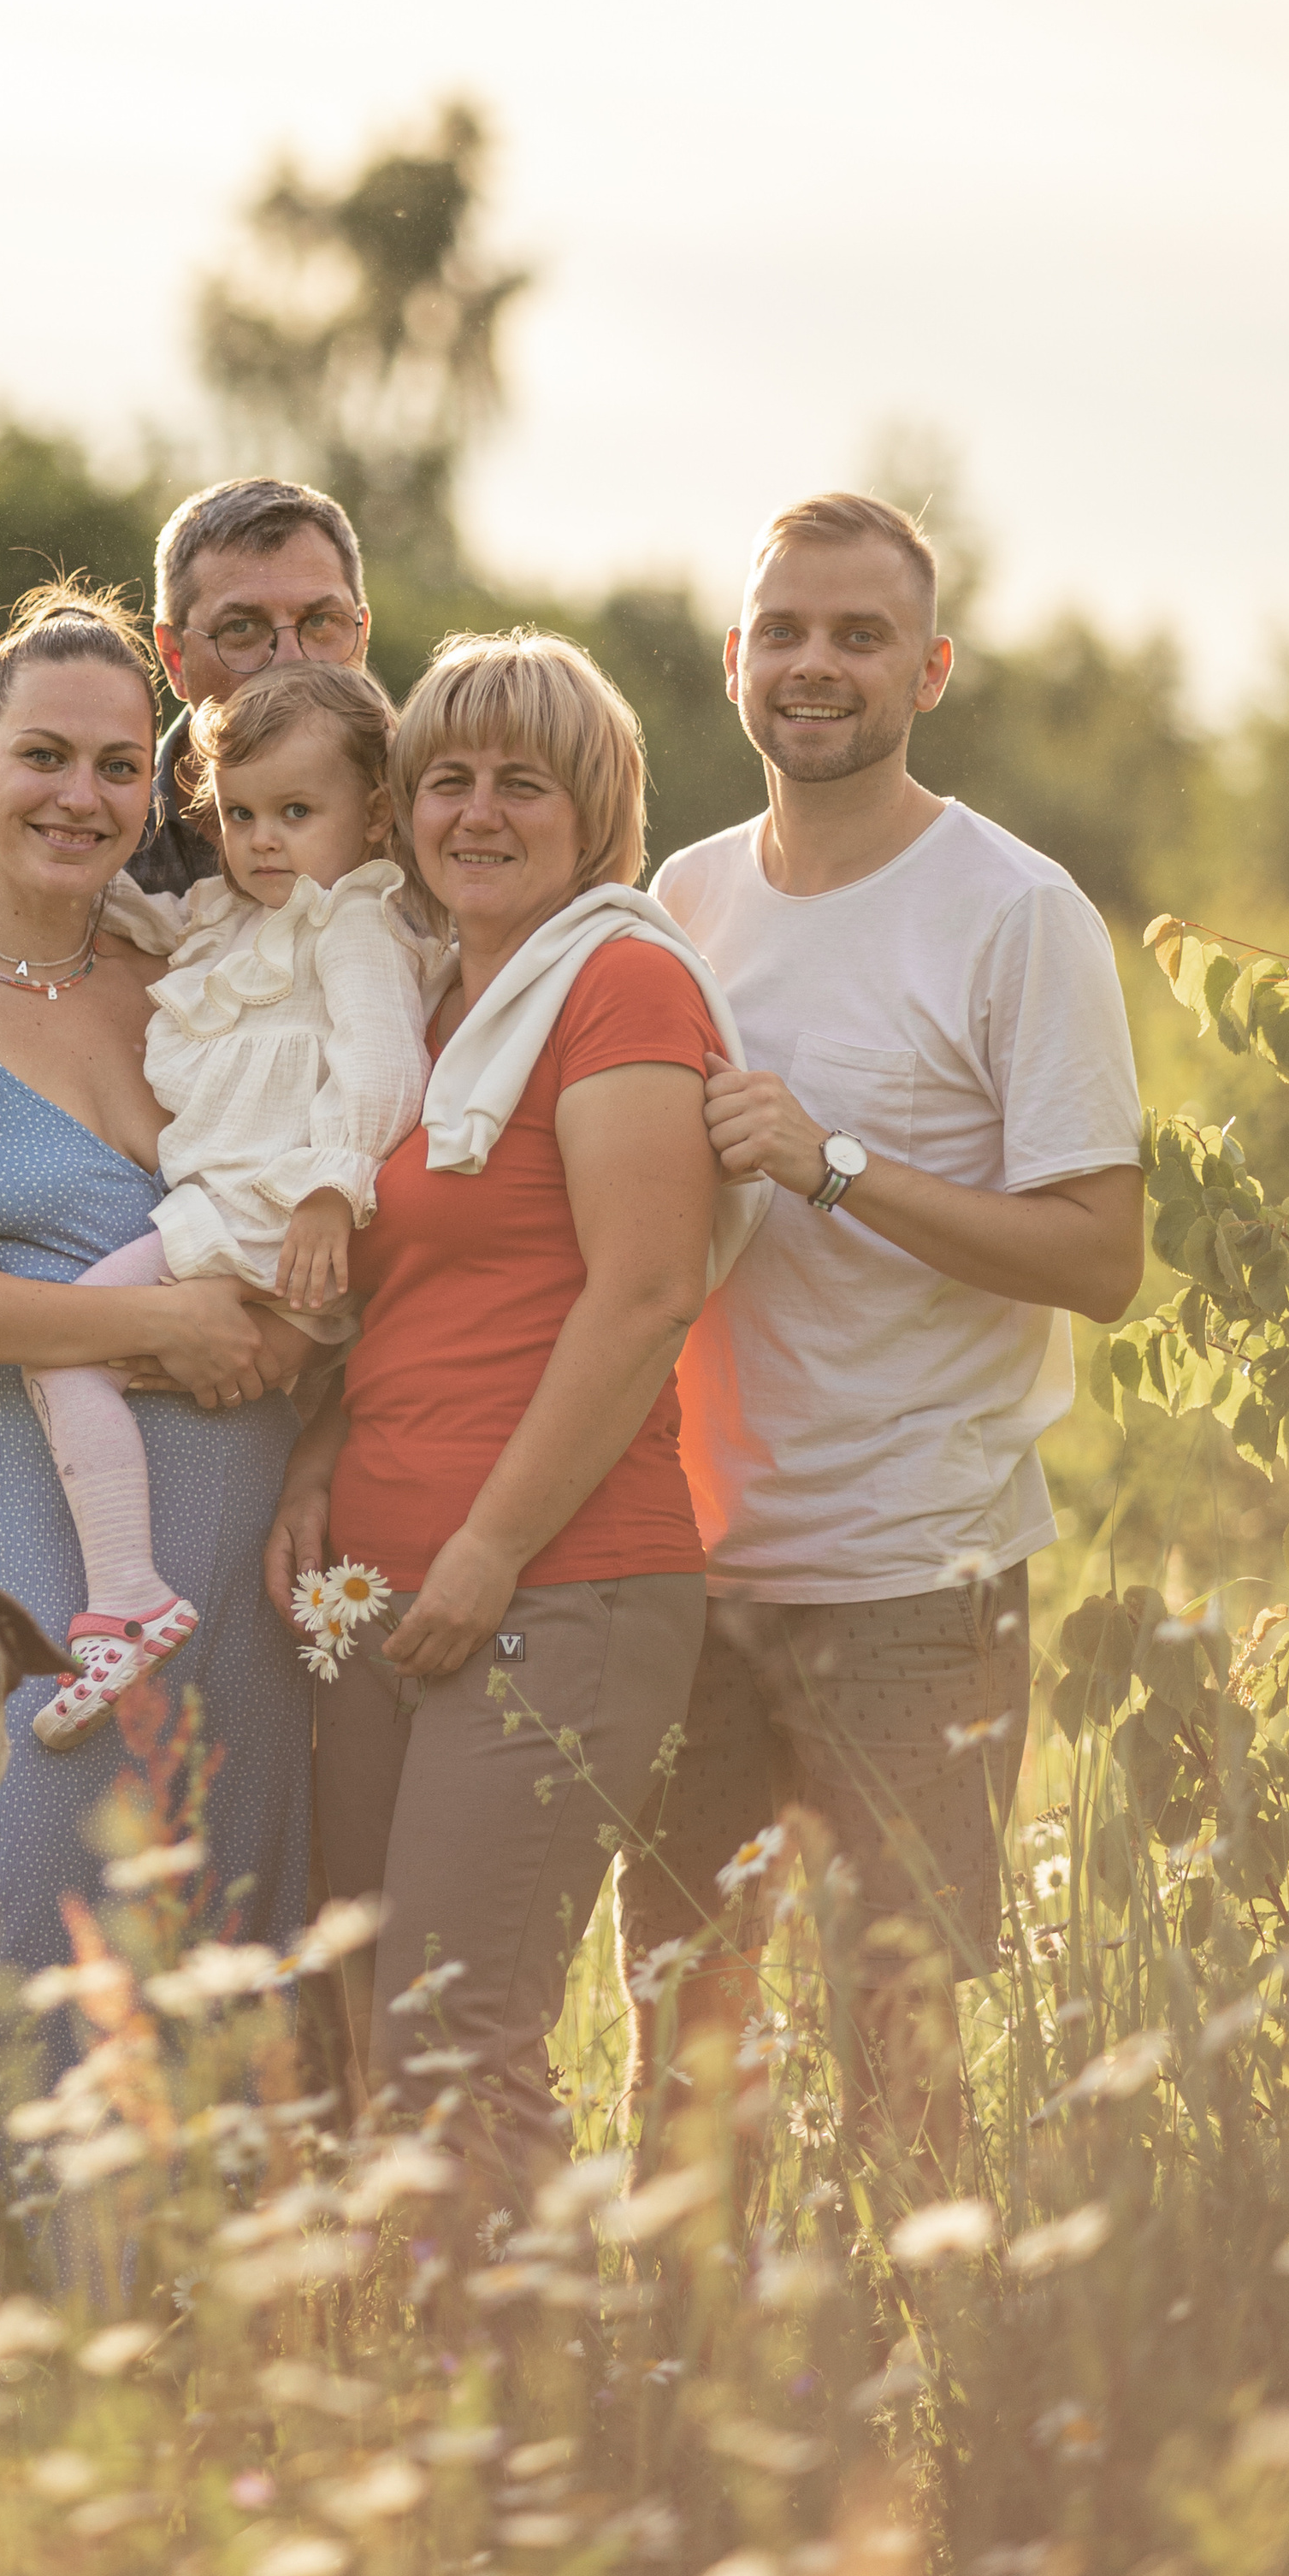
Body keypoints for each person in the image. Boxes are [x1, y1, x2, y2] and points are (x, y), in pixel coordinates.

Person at [618, 492, 1145, 2165]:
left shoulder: (1014, 911)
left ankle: (926, 2335)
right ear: (732, 660)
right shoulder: (680, 896)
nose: (815, 663)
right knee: (680, 2051)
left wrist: (830, 1164)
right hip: (692, 1569)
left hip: (915, 1576)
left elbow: (1100, 1255)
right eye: (783, 630)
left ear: (930, 670)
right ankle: (683, 2340)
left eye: (860, 635)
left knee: (898, 2066)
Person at [264, 629, 768, 2198]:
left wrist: (488, 1551)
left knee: (458, 2038)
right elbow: (414, 1301)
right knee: (368, 2025)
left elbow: (644, 1293)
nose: (477, 813)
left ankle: (529, 2348)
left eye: (523, 784)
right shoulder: (430, 1013)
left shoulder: (618, 982)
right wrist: (320, 1460)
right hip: (381, 1583)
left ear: (595, 812)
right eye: (449, 780)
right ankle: (417, 2337)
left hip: (559, 1583)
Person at [0, 583, 326, 2116]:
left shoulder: (193, 972)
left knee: (228, 1998)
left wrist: (284, 1337)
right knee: (22, 1978)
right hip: (49, 1592)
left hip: (248, 1586)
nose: (81, 797)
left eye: (117, 766)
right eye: (44, 756)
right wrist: (153, 1321)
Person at [25, 662, 443, 1747]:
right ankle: (130, 1592)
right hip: (237, 1215)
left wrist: (329, 1188)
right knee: (84, 1359)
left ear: (376, 814)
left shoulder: (353, 923)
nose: (262, 841)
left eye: (296, 813)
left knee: (61, 1346)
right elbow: (133, 911)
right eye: (241, 814)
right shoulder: (230, 914)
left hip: (271, 1219)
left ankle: (128, 1599)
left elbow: (384, 1066)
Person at [125, 476, 371, 898]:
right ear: (175, 659)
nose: (291, 661)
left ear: (363, 637)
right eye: (241, 628)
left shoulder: (437, 826)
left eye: (320, 622)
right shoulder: (106, 842)